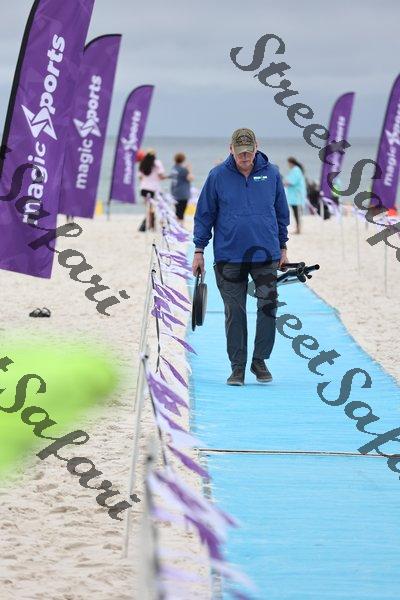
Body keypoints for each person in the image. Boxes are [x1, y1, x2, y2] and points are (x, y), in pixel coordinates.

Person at [192, 128, 290, 386]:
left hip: (266, 254)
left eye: (248, 152)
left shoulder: (272, 174)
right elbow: (204, 215)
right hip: (229, 256)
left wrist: (283, 247)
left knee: (267, 307)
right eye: (239, 153)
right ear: (231, 150)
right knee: (235, 311)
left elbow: (281, 212)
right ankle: (237, 367)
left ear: (256, 147)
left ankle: (260, 360)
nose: (244, 157)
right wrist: (199, 250)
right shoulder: (217, 176)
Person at [138, 150, 166, 231]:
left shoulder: (142, 163)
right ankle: (151, 225)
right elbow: (161, 175)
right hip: (154, 188)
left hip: (144, 188)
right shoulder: (157, 163)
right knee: (153, 207)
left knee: (148, 207)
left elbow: (140, 177)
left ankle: (149, 225)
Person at [283, 157, 307, 234]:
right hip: (294, 195)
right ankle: (298, 228)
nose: (288, 165)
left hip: (296, 195)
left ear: (291, 163)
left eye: (288, 163)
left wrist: (282, 183)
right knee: (296, 213)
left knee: (297, 213)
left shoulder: (296, 170)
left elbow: (291, 182)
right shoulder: (296, 170)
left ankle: (298, 229)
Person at [170, 153, 194, 222]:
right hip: (183, 194)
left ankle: (178, 224)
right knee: (181, 212)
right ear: (183, 159)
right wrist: (189, 170)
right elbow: (191, 178)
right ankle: (180, 225)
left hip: (175, 192)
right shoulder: (183, 170)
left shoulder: (174, 168)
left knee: (177, 211)